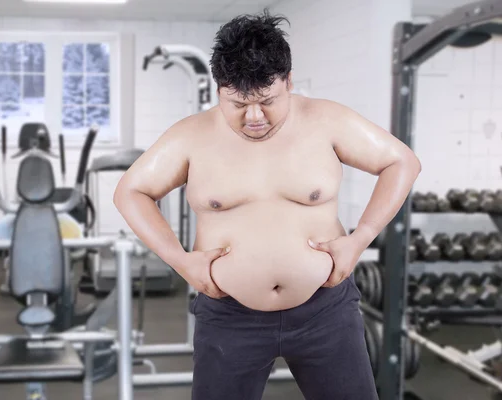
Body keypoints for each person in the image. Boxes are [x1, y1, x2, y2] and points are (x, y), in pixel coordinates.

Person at [113, 10, 421, 400]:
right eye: (238, 103)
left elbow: (402, 162)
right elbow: (130, 192)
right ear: (219, 88)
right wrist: (180, 260)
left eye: (267, 100)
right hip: (229, 318)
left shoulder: (326, 120)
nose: (254, 117)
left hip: (325, 311)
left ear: (288, 81)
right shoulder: (190, 137)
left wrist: (361, 238)